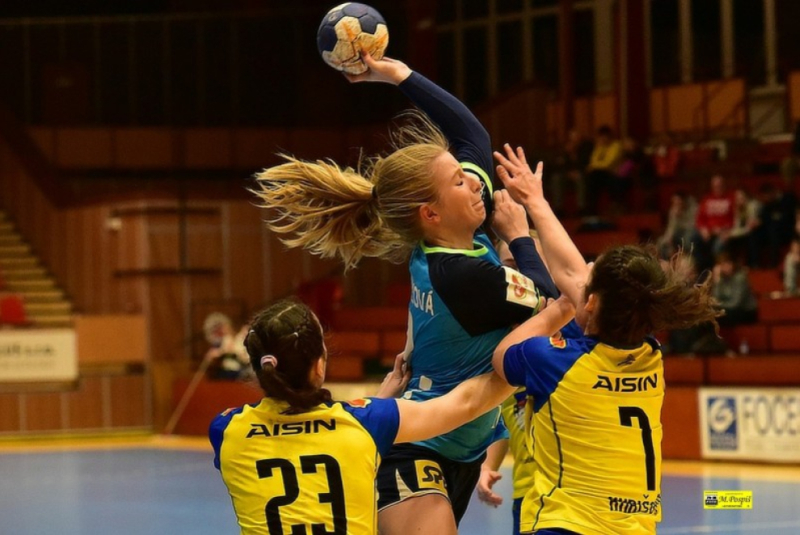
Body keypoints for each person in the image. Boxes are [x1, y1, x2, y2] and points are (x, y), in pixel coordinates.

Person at [252, 53, 559, 533]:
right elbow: (551, 301)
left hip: (461, 447)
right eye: (459, 180)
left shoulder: (452, 236)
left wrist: (398, 75)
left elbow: (472, 137)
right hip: (420, 446)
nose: (474, 184)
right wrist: (519, 233)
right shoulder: (461, 275)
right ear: (430, 213)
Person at [491, 144, 721, 534]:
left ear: (591, 303)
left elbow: (503, 355)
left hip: (566, 524)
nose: (582, 271)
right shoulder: (649, 355)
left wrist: (558, 306)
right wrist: (534, 201)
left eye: (590, 276)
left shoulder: (556, 362)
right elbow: (574, 277)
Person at [209, 298, 572, 535]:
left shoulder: (226, 430)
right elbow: (466, 404)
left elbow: (302, 439)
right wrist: (548, 325)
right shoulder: (366, 423)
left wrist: (377, 402)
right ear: (320, 365)